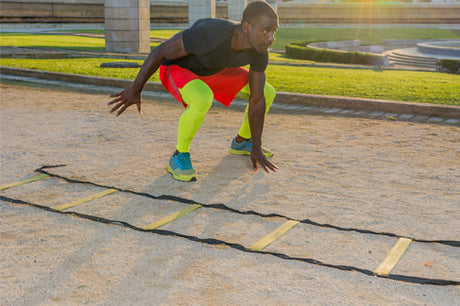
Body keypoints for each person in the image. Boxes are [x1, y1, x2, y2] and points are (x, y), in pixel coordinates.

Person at [108, 0, 279, 182]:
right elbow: (161, 51)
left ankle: (242, 142)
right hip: (178, 69)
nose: (271, 38)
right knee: (202, 98)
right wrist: (136, 88)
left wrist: (257, 146)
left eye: (274, 31)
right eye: (266, 30)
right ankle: (178, 155)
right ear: (246, 27)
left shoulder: (260, 51)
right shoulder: (211, 32)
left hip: (213, 71)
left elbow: (258, 99)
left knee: (267, 92)